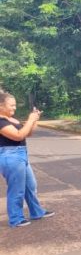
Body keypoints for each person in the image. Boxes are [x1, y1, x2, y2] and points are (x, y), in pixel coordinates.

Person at [0, 92, 54, 227]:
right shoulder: (1, 122)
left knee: (31, 186)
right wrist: (29, 120)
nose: (14, 108)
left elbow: (27, 133)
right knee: (17, 189)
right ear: (1, 106)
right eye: (11, 105)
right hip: (10, 156)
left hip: (21, 154)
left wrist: (34, 120)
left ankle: (37, 212)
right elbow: (18, 136)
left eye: (15, 105)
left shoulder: (12, 119)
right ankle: (16, 218)